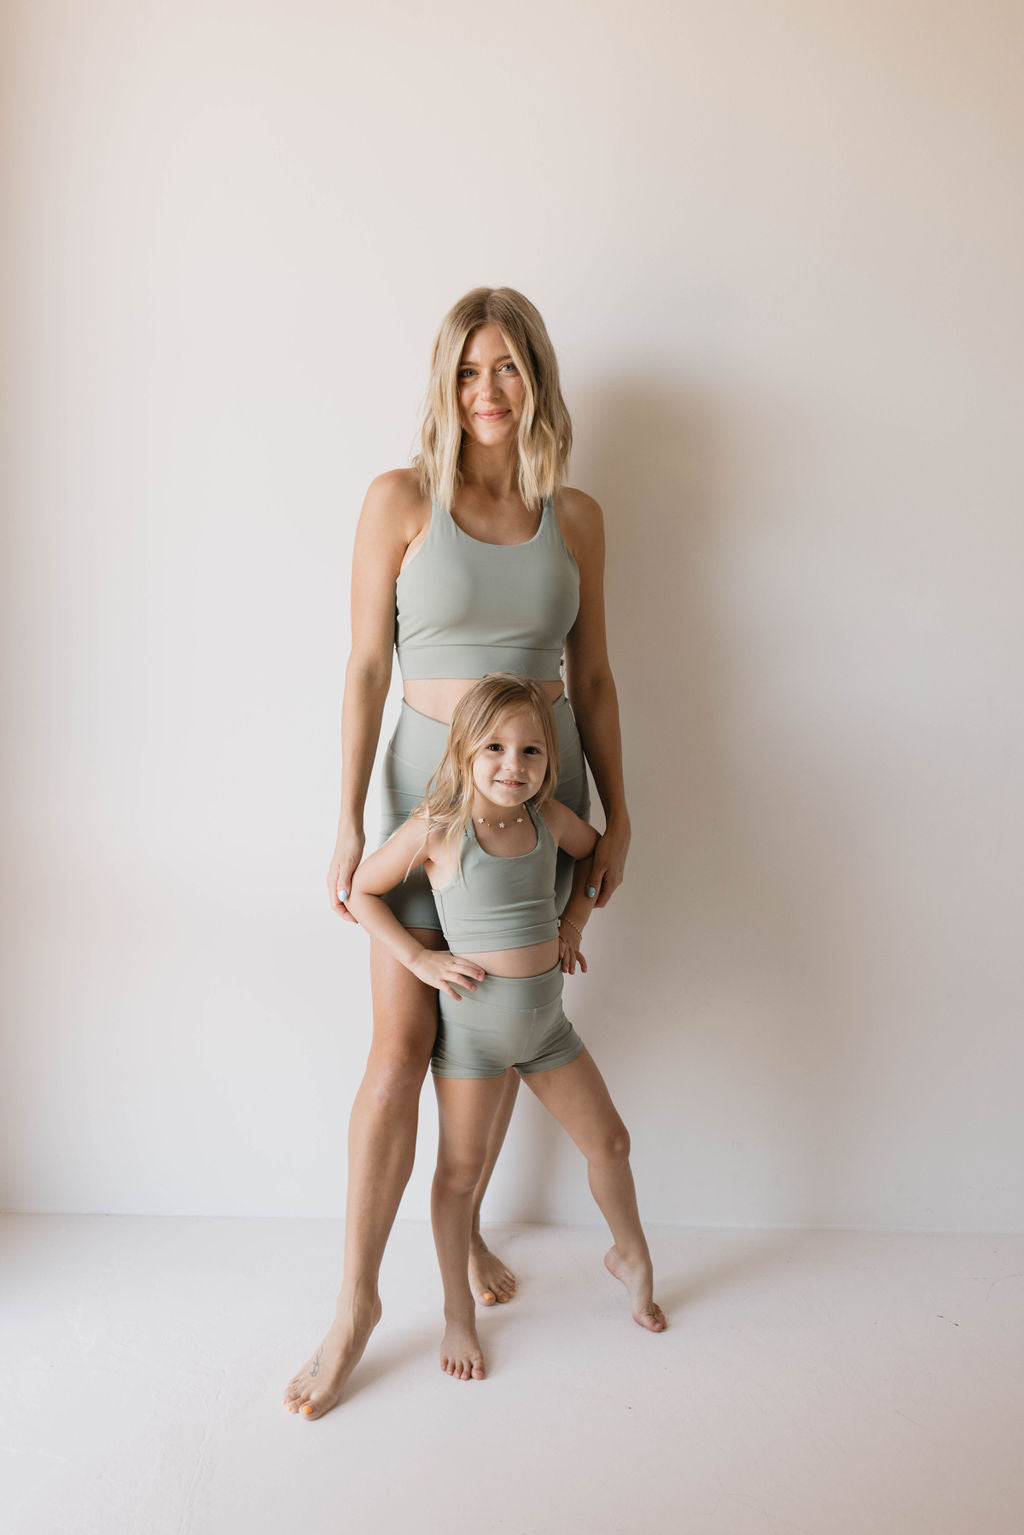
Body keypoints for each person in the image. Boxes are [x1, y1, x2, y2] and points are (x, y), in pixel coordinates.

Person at [283, 287, 632, 1419]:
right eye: (471, 370)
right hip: (420, 800)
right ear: (447, 380)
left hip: (534, 791)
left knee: (496, 1024)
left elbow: (596, 677)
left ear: (537, 379)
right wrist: (344, 814)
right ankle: (356, 1303)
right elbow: (365, 672)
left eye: (510, 369)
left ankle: (465, 1223)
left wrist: (617, 811)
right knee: (396, 1053)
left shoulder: (573, 513)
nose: (490, 391)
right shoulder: (398, 499)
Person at [344, 675, 665, 1382]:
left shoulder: (548, 817)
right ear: (462, 750)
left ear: (550, 762)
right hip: (474, 1044)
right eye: (493, 746)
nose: (511, 764)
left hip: (548, 1031)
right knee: (458, 1176)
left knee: (610, 1141)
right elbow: (363, 890)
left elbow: (592, 856)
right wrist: (417, 956)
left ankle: (629, 1253)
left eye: (529, 751)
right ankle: (458, 1311)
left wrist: (574, 922)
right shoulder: (436, 826)